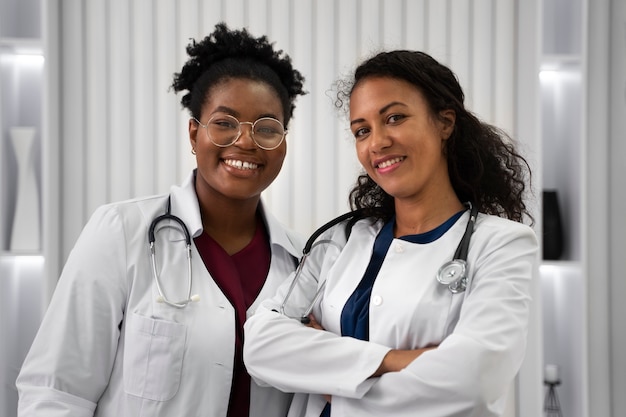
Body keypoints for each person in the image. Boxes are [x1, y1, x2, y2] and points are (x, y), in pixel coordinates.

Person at [16, 22, 306, 417]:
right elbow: (55, 393)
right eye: (224, 123)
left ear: (283, 142)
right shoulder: (121, 232)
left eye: (267, 127)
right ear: (193, 134)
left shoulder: (303, 264)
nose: (245, 141)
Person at [243, 50, 539, 417]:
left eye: (395, 118)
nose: (377, 142)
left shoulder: (500, 244)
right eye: (362, 131)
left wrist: (331, 380)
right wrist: (399, 360)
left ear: (444, 123)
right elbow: (260, 345)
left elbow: (473, 381)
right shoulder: (341, 239)